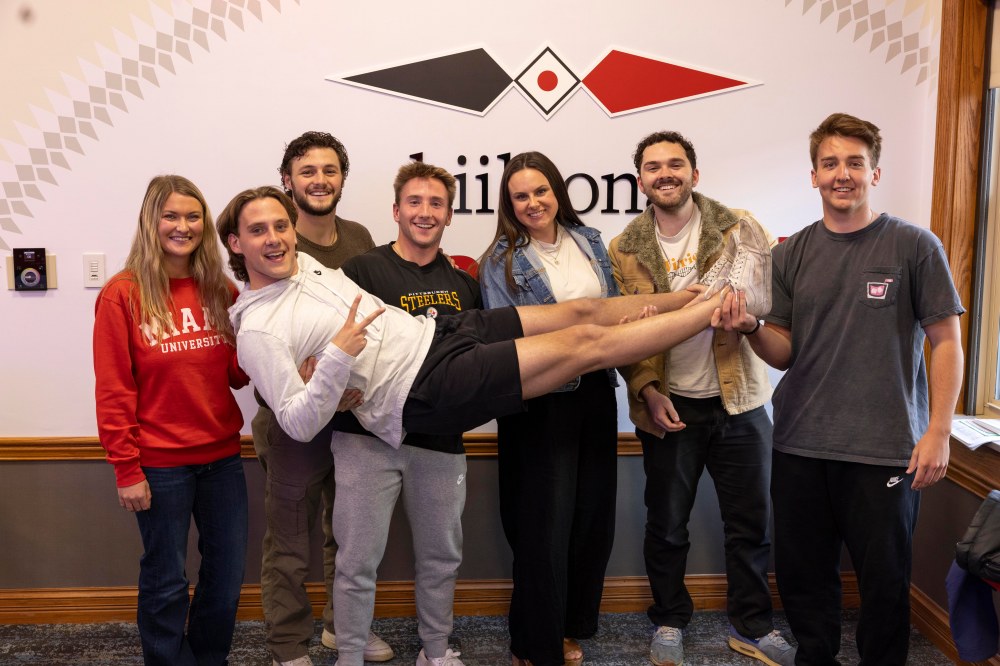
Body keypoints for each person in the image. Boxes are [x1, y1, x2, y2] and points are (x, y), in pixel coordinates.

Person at [216, 183, 726, 456]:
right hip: (418, 386)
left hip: (437, 333)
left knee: (579, 311)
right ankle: (719, 305)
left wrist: (326, 370)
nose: (275, 238)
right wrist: (333, 361)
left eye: (281, 226)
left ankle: (699, 292)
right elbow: (298, 424)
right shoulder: (257, 331)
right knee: (585, 343)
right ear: (236, 244)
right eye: (258, 231)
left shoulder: (304, 264)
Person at [719, 112, 965, 665]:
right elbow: (784, 352)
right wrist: (752, 327)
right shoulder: (790, 254)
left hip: (885, 450)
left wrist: (939, 431)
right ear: (814, 176)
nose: (842, 174)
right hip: (800, 446)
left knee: (884, 585)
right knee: (804, 582)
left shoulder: (914, 246)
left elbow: (947, 341)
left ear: (875, 173)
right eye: (830, 164)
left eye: (855, 163)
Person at [608, 132, 794, 666]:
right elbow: (621, 334)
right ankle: (669, 621)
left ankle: (752, 627)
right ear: (640, 180)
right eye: (653, 167)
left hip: (741, 402)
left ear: (694, 173)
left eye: (675, 164)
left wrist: (749, 319)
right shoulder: (623, 248)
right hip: (670, 405)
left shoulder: (740, 227)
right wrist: (647, 390)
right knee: (666, 525)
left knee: (751, 526)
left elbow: (773, 304)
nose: (664, 174)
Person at [328, 162, 480, 666]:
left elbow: (474, 363)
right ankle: (349, 656)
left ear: (449, 215)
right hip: (364, 441)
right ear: (396, 210)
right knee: (356, 561)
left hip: (439, 441)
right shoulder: (361, 272)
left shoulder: (463, 284)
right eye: (414, 202)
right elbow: (330, 340)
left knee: (441, 557)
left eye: (436, 203)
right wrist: (335, 385)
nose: (425, 212)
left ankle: (435, 651)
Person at [93, 175, 248, 665]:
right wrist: (126, 468)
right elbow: (113, 389)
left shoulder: (220, 289)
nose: (183, 226)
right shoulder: (123, 294)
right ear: (151, 221)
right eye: (171, 216)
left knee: (225, 576)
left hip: (222, 458)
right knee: (166, 579)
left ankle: (208, 658)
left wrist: (286, 349)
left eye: (193, 216)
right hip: (159, 464)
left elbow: (238, 374)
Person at [252, 132, 392, 666]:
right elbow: (263, 335)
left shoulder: (358, 238)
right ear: (287, 180)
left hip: (356, 419)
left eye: (329, 170)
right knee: (290, 542)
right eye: (307, 171)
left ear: (343, 178)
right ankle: (288, 647)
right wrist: (307, 374)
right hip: (293, 423)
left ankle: (343, 627)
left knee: (350, 535)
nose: (319, 180)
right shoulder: (273, 241)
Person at [479, 151, 619, 666]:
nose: (533, 203)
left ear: (557, 191)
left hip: (596, 391)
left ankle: (570, 625)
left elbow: (612, 313)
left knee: (591, 517)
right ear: (509, 204)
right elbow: (509, 342)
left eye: (541, 191)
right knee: (543, 524)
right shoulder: (500, 261)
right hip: (540, 398)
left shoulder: (590, 241)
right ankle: (535, 642)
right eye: (520, 196)